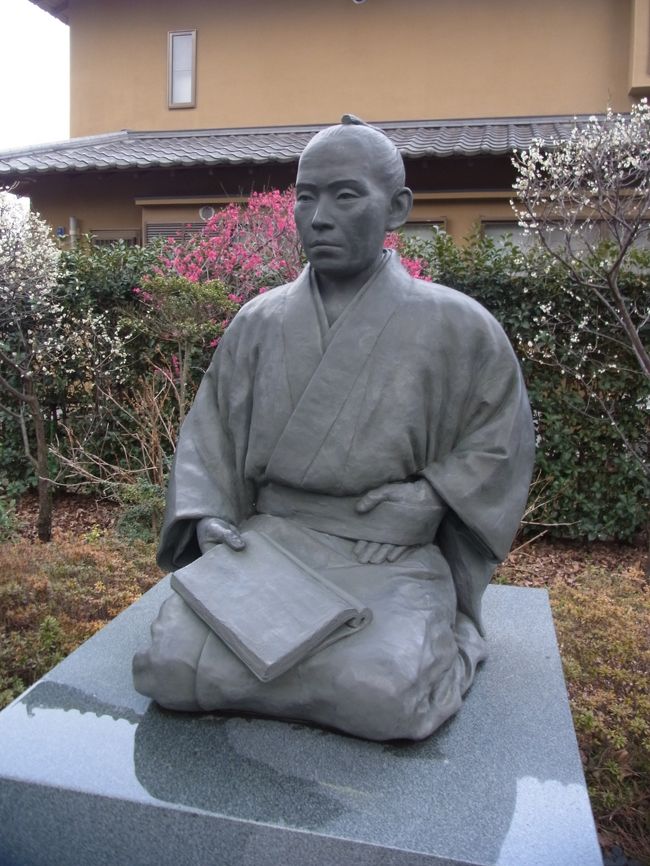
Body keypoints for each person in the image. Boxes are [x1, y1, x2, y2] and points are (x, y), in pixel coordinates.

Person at [133, 117, 535, 741]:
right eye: (305, 195)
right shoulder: (260, 321)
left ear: (397, 208)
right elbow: (210, 431)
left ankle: (444, 638)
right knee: (168, 667)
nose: (318, 216)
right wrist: (209, 517)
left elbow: (498, 438)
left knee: (382, 698)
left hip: (389, 553)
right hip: (269, 551)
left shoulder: (460, 326)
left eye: (345, 195)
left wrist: (429, 499)